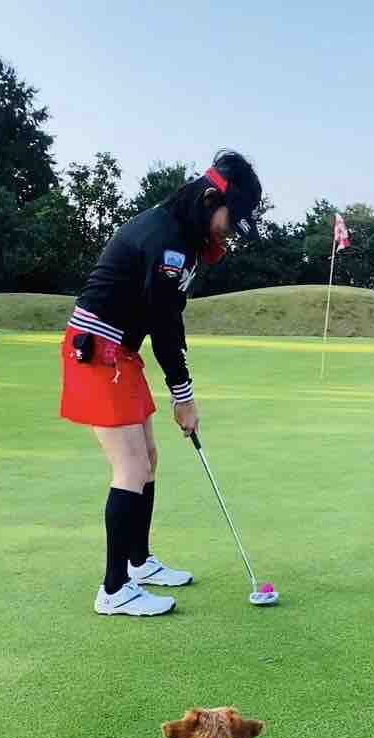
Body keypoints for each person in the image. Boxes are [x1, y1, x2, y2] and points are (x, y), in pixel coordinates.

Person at [60, 150, 262, 616]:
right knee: (130, 469)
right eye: (232, 218)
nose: (230, 231)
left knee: (148, 459)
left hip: (121, 353)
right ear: (211, 198)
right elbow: (166, 324)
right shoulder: (167, 240)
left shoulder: (183, 233)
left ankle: (139, 562)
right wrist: (183, 397)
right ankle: (113, 591)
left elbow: (168, 319)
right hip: (96, 351)